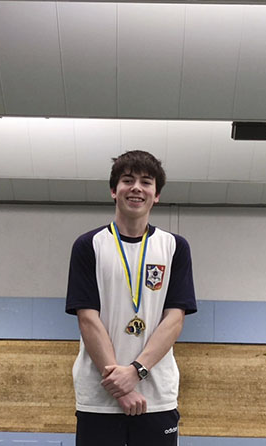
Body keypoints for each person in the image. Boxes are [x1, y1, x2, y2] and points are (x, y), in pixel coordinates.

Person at [65, 150, 197, 446]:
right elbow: (88, 320)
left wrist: (136, 372)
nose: (136, 187)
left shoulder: (175, 247)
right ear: (114, 190)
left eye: (146, 182)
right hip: (99, 397)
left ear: (156, 195)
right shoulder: (88, 246)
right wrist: (120, 387)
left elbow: (174, 320)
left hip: (156, 396)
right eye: (127, 180)